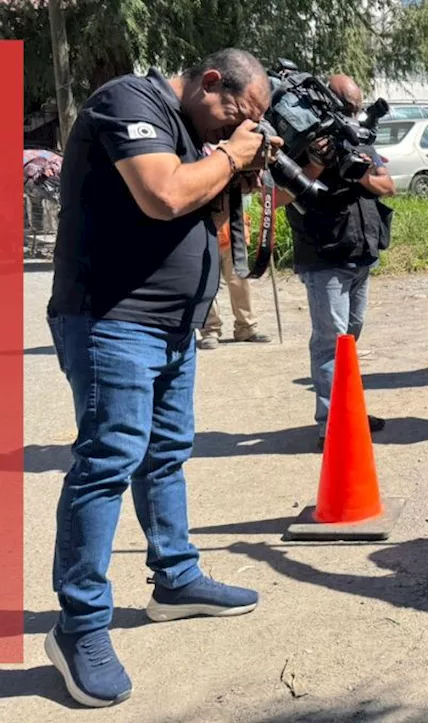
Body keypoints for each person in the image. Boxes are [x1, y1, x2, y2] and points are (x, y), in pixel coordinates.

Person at [45, 48, 277, 707]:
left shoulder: (195, 130)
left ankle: (175, 579)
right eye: (238, 111)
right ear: (210, 83)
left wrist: (242, 166)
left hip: (173, 326)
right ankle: (78, 627)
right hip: (111, 318)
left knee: (165, 455)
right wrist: (233, 154)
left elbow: (201, 199)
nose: (239, 126)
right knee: (107, 463)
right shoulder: (129, 102)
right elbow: (163, 194)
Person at [280, 74, 395, 448]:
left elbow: (387, 185)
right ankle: (330, 424)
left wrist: (358, 171)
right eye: (349, 107)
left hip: (361, 253)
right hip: (324, 256)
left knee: (349, 339)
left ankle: (351, 413)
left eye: (358, 108)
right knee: (331, 342)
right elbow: (276, 198)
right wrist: (314, 166)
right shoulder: (300, 143)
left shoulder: (357, 139)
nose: (355, 114)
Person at [197, 208, 271, 348]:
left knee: (240, 281)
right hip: (203, 230)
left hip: (234, 229)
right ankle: (210, 331)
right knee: (206, 283)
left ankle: (247, 328)